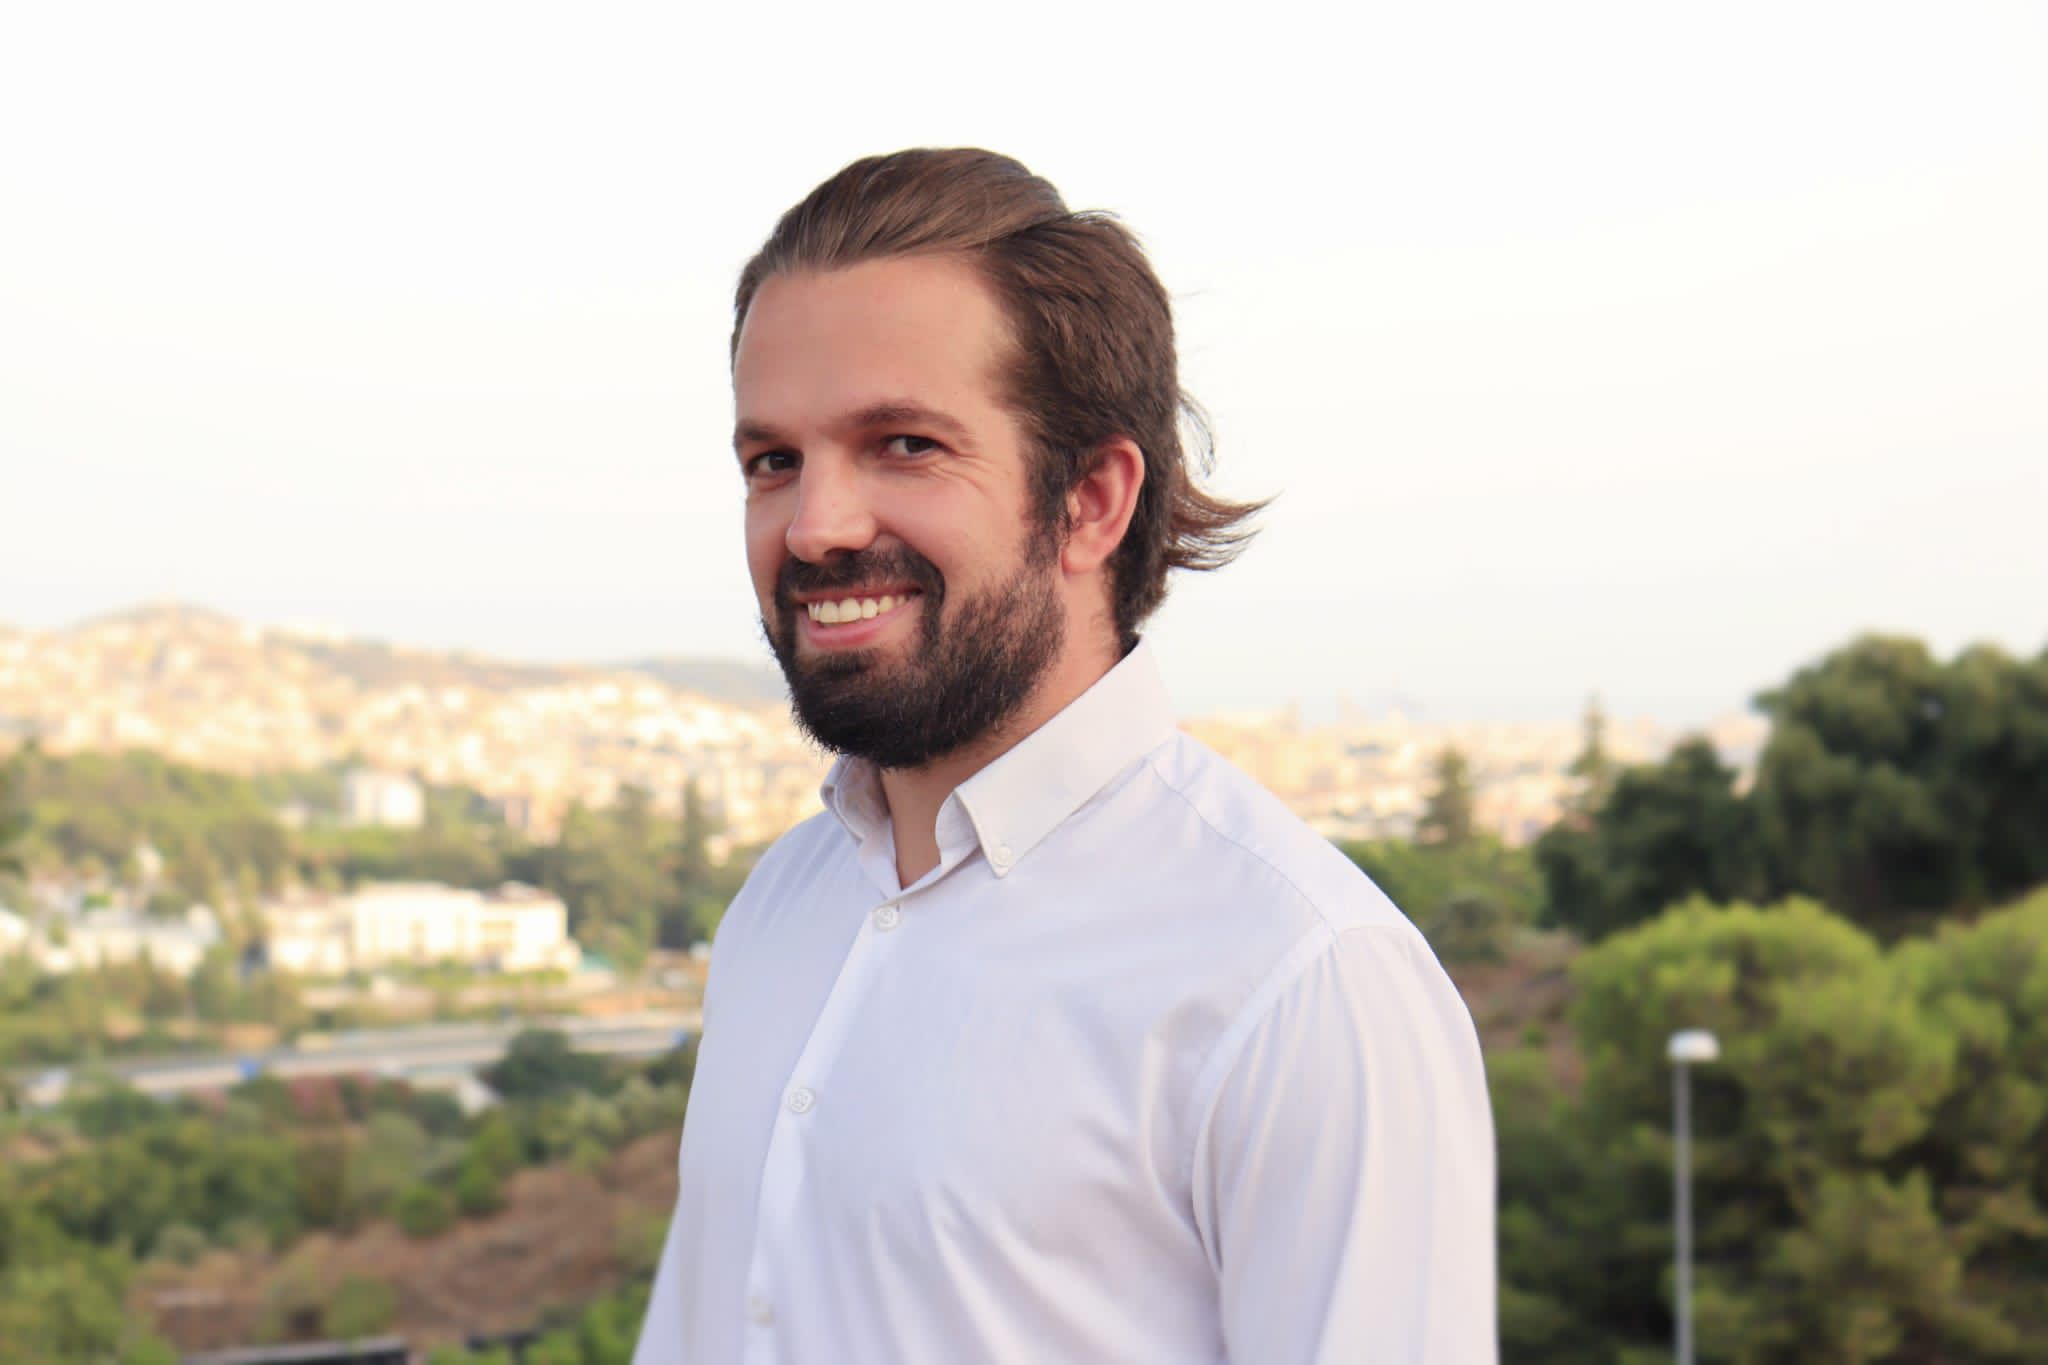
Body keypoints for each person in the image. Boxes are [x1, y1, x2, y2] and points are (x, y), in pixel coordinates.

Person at [633, 148, 1496, 1364]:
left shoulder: (1299, 979)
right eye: (773, 460)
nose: (815, 525)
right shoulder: (780, 910)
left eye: (903, 445)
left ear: (1091, 499)